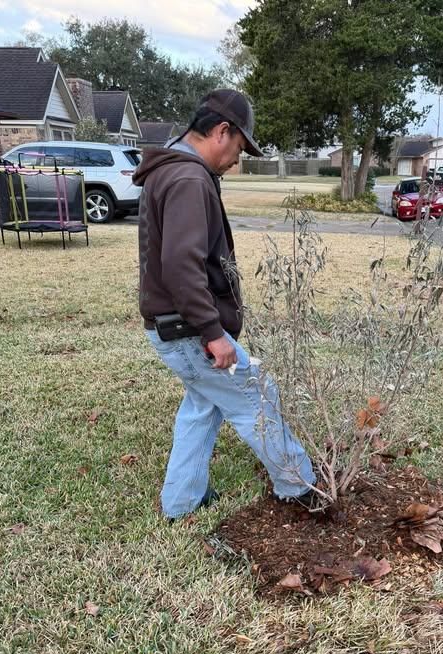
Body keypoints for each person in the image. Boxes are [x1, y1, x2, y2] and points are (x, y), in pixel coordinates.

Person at [133, 89, 317, 519]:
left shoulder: (174, 172)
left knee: (203, 407)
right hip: (189, 331)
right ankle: (300, 486)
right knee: (256, 395)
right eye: (239, 147)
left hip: (175, 326)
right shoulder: (188, 179)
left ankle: (182, 501)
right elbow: (181, 265)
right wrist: (212, 333)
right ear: (221, 131)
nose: (237, 160)